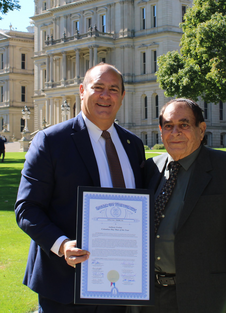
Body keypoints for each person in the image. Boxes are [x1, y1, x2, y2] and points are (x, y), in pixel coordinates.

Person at [15, 63, 145, 313]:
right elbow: (27, 209)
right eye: (98, 87)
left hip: (122, 287)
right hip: (65, 286)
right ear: (82, 91)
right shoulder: (51, 141)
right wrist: (62, 245)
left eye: (113, 89)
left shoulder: (133, 145)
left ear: (122, 96)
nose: (105, 95)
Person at [140, 98, 226, 313]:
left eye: (184, 125)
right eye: (168, 125)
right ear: (161, 131)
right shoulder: (150, 169)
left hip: (204, 300)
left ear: (201, 130)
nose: (175, 132)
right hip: (150, 299)